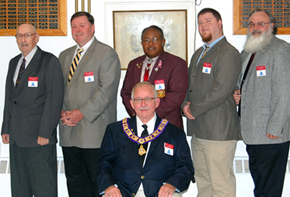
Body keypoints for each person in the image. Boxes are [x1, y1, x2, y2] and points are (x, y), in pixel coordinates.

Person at [233, 9, 290, 197]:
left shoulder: (282, 50)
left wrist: (275, 127)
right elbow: (240, 84)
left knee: (269, 188)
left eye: (260, 24)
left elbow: (287, 93)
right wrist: (236, 94)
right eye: (251, 24)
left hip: (271, 134)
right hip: (252, 132)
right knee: (261, 186)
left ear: (271, 26)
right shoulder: (247, 52)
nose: (255, 28)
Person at [58, 12, 121, 197]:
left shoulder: (106, 54)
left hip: (94, 131)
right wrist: (61, 112)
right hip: (68, 129)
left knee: (97, 181)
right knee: (75, 181)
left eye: (82, 25)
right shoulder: (64, 56)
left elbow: (106, 91)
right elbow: (57, 89)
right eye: (74, 26)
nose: (77, 30)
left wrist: (81, 113)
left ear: (93, 28)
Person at [182, 8, 241, 197]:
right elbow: (188, 85)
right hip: (198, 130)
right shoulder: (198, 53)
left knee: (221, 185)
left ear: (220, 23)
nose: (203, 26)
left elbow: (221, 90)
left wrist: (194, 109)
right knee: (204, 183)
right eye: (200, 23)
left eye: (207, 21)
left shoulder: (228, 52)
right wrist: (184, 105)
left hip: (219, 130)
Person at [97, 82, 194, 197]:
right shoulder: (115, 130)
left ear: (156, 102)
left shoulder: (174, 133)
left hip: (161, 192)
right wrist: (109, 185)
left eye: (148, 99)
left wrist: (172, 184)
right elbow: (103, 164)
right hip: (123, 191)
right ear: (132, 104)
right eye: (138, 100)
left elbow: (185, 167)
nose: (143, 104)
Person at [1, 23, 64, 197]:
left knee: (44, 188)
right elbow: (9, 99)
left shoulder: (49, 61)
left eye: (27, 35)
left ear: (36, 37)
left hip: (39, 138)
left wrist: (46, 132)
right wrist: (6, 128)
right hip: (16, 138)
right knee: (20, 189)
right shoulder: (14, 62)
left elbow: (54, 99)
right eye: (19, 36)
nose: (23, 40)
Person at [121, 25, 188, 129]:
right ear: (142, 43)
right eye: (146, 40)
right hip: (139, 124)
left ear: (163, 41)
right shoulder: (134, 64)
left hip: (167, 124)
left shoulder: (176, 64)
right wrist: (137, 113)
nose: (150, 43)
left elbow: (176, 95)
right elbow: (126, 92)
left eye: (155, 39)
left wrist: (151, 115)